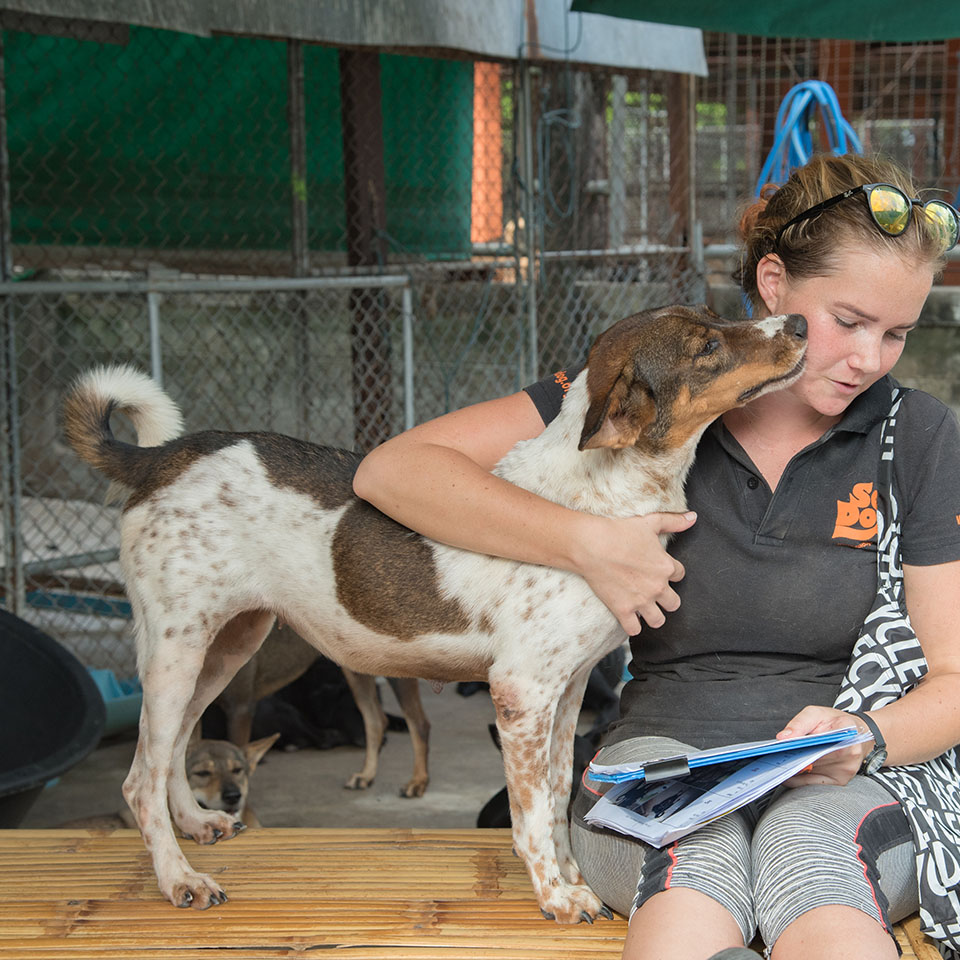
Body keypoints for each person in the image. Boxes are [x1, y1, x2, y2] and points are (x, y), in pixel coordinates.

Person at [352, 153, 960, 960]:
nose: (870, 360)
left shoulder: (915, 435)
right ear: (773, 284)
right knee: (691, 858)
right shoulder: (657, 384)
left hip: (839, 769)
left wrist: (867, 735)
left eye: (897, 334)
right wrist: (587, 542)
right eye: (848, 323)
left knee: (811, 860)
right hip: (660, 749)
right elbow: (390, 472)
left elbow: (953, 680)